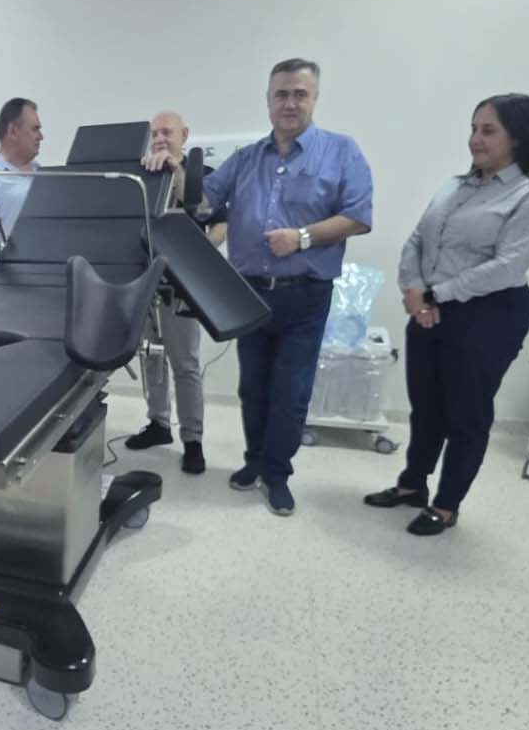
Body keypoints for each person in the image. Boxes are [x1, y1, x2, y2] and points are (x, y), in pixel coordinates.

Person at [365, 94, 529, 536]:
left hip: (488, 314)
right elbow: (417, 240)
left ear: (518, 137)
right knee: (426, 407)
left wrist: (434, 294)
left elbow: (508, 265)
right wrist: (414, 291)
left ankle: (446, 504)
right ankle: (412, 484)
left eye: (488, 130)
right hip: (428, 308)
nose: (475, 139)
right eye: (473, 129)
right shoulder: (455, 186)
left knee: (466, 415)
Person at [202, 57, 373, 517]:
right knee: (252, 387)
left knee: (291, 392)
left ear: (314, 98)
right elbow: (203, 199)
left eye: (300, 94)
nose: (290, 103)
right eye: (282, 94)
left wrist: (302, 237)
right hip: (248, 292)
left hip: (305, 295)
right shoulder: (245, 159)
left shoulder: (341, 151)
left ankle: (277, 474)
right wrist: (172, 168)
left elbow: (358, 216)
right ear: (268, 101)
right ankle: (254, 461)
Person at [125, 110, 208, 475]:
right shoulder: (142, 177)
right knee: (151, 357)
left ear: (184, 135)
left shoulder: (200, 175)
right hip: (146, 281)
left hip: (181, 286)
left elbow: (210, 218)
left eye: (167, 132)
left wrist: (176, 172)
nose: (159, 139)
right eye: (154, 133)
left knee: (185, 364)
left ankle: (193, 439)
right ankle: (158, 423)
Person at [0, 98, 43, 252]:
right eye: (35, 129)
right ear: (13, 131)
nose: (40, 136)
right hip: (10, 265)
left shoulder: (43, 173)